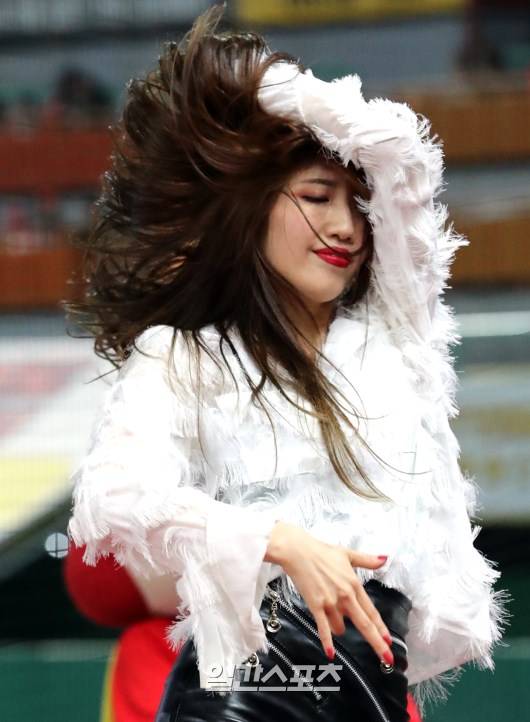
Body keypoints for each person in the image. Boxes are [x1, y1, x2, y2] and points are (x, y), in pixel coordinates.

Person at [64, 5, 507, 721]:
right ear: (249, 210)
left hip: (371, 691)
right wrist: (276, 542)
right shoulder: (184, 356)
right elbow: (113, 499)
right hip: (244, 694)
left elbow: (405, 159)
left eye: (359, 206)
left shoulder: (395, 339)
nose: (345, 227)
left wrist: (287, 97)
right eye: (316, 197)